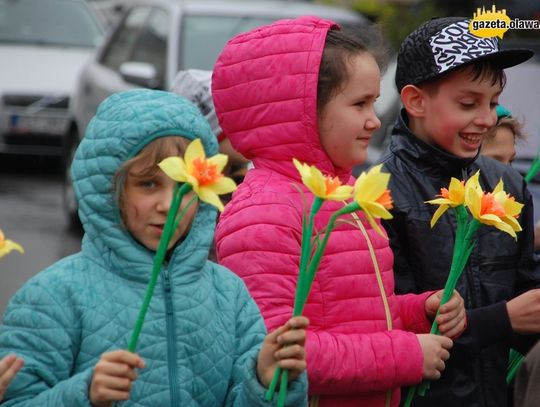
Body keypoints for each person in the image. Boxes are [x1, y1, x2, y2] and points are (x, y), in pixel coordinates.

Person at [212, 16, 466, 407]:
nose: (374, 120)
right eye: (359, 103)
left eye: (374, 102)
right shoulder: (263, 213)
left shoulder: (340, 195)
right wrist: (406, 355)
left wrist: (417, 310)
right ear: (301, 112)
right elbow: (280, 353)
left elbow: (350, 313)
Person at [0, 89, 308, 406]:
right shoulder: (52, 297)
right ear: (109, 189)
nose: (168, 204)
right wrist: (84, 395)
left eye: (186, 187)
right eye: (148, 184)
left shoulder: (229, 296)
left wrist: (265, 383)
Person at [378, 16, 540, 407]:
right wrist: (500, 320)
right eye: (468, 103)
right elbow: (383, 324)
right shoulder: (379, 192)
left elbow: (525, 293)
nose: (487, 119)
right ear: (416, 100)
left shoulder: (506, 185)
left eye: (494, 102)